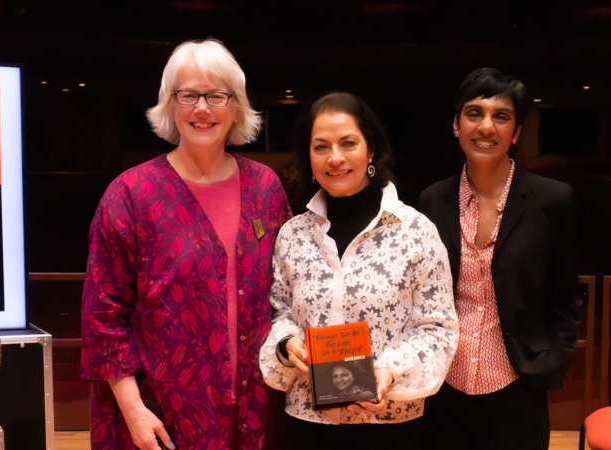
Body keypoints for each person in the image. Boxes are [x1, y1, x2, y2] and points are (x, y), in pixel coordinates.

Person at [80, 38, 292, 450]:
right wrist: (134, 411)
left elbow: (287, 294)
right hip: (161, 414)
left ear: (235, 107)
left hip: (256, 410)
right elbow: (102, 319)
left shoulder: (265, 188)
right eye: (188, 95)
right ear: (169, 104)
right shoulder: (131, 194)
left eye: (216, 95)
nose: (202, 109)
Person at [259, 92, 459, 450]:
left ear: (370, 151)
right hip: (308, 424)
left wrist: (390, 373)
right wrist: (287, 345)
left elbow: (437, 328)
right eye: (321, 146)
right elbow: (280, 314)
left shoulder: (415, 231)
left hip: (388, 424)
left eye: (348, 143)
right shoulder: (293, 234)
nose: (335, 158)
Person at [419, 68, 581, 449]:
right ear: (456, 125)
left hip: (517, 386)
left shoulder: (552, 200)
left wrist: (550, 364)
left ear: (517, 132)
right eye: (474, 113)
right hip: (444, 388)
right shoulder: (432, 200)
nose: (486, 127)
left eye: (502, 116)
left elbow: (566, 295)